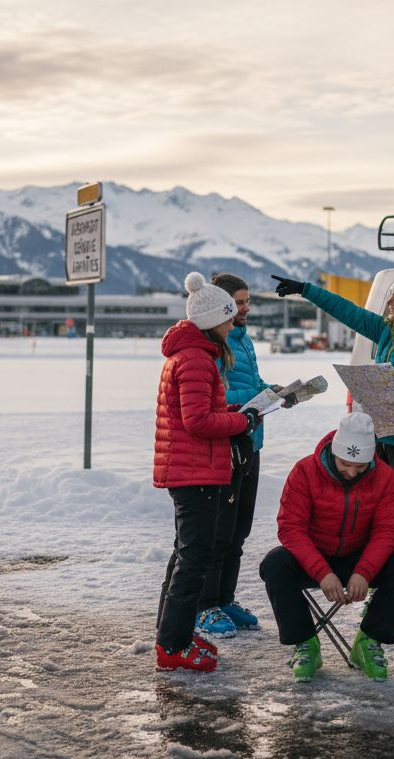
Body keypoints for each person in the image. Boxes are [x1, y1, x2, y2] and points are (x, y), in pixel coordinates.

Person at [271, 272, 394, 636]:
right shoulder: (387, 331)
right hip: (381, 437)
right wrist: (306, 290)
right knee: (386, 524)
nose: (389, 303)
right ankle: (393, 594)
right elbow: (348, 312)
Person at [258, 412, 394, 682]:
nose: (352, 472)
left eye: (360, 466)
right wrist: (322, 572)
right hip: (315, 557)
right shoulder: (305, 471)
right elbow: (291, 528)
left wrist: (364, 572)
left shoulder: (384, 476)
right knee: (274, 564)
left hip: (359, 558)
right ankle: (305, 644)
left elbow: (387, 531)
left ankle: (369, 642)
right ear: (335, 451)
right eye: (346, 464)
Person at [153, 272, 260, 672]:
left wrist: (234, 413)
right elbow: (197, 422)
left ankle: (172, 634)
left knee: (184, 557)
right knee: (193, 561)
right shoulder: (197, 358)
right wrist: (240, 423)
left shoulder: (196, 354)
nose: (234, 324)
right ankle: (173, 646)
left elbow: (199, 414)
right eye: (229, 318)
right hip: (194, 472)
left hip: (192, 468)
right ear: (213, 319)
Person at [194, 273, 295, 638]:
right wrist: (244, 411)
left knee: (239, 530)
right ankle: (205, 605)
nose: (246, 308)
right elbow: (216, 398)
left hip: (251, 442)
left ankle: (225, 597)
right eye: (239, 302)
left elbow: (248, 385)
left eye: (247, 301)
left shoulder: (242, 338)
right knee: (219, 531)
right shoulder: (213, 343)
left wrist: (274, 392)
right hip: (228, 444)